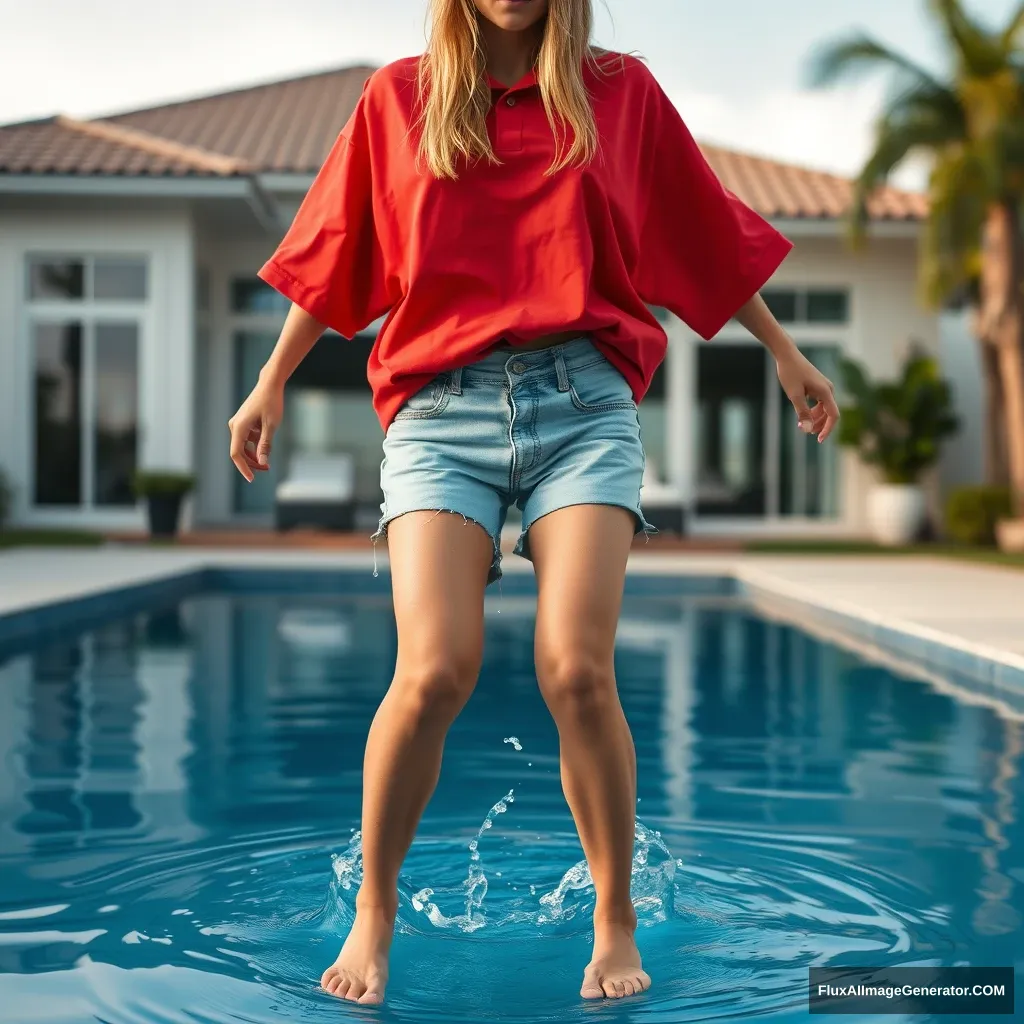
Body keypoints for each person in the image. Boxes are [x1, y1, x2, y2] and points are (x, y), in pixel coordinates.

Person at [227, 0, 839, 1006]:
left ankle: (612, 918)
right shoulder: (401, 99)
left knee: (575, 668)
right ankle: (373, 911)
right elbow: (339, 243)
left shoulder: (619, 95)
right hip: (438, 411)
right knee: (432, 670)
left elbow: (698, 226)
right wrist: (270, 379)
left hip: (584, 409)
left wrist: (783, 348)